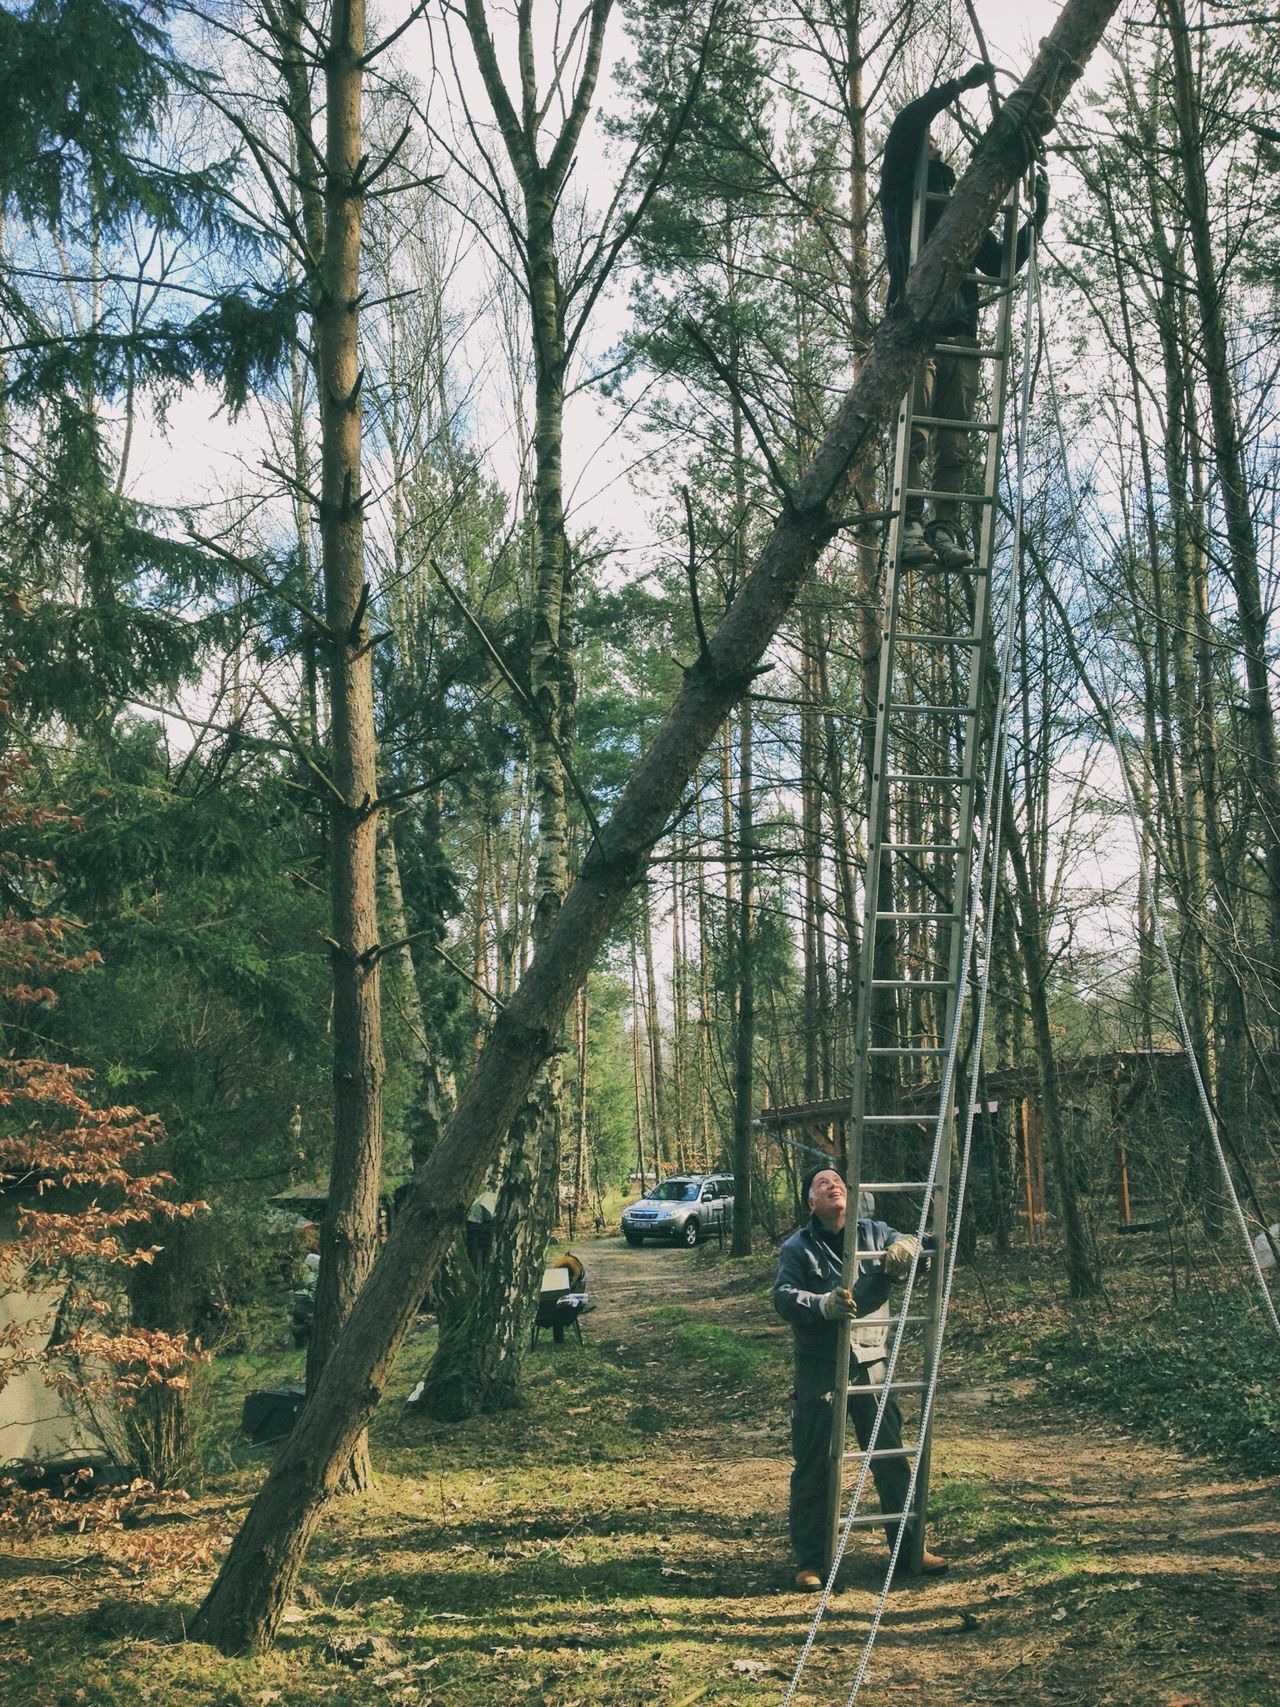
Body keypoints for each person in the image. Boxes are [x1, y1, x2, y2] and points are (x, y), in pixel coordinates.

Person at [879, 64, 1049, 569]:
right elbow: (908, 123)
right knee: (917, 432)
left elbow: (999, 262)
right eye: (929, 141)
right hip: (916, 329)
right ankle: (908, 526)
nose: (934, 143)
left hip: (963, 336)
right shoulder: (902, 190)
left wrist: (1037, 218)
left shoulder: (960, 211)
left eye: (936, 140)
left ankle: (943, 528)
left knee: (955, 444)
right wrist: (957, 88)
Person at [773, 1164, 947, 1589]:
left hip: (870, 1361)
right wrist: (821, 1306)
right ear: (810, 1201)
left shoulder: (874, 1232)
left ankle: (909, 1550)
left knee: (889, 1456)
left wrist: (909, 1246)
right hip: (819, 1367)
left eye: (837, 1180)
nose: (833, 1184)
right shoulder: (797, 1248)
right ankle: (811, 1561)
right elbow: (783, 1296)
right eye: (821, 1182)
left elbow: (921, 1245)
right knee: (815, 1464)